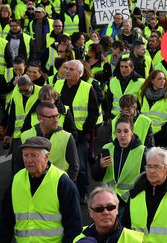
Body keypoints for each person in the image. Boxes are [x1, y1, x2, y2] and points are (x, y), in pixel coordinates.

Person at [0, 137, 82, 241]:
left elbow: (74, 227)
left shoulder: (62, 182)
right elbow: (5, 221)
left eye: (34, 155)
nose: (29, 160)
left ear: (46, 157)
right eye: (25, 155)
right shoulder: (16, 180)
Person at [54, 60, 99, 202]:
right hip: (60, 132)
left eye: (71, 69)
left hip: (79, 134)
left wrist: (85, 132)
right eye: (66, 68)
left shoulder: (87, 88)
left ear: (79, 73)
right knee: (59, 164)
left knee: (80, 166)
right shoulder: (58, 84)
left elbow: (93, 113)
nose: (67, 71)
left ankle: (82, 193)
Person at [92, 113, 146, 209]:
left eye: (126, 131)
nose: (122, 135)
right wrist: (100, 167)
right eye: (119, 131)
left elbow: (145, 182)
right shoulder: (107, 148)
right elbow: (95, 177)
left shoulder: (142, 151)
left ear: (132, 132)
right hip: (108, 202)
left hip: (129, 204)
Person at [19, 102, 79, 181]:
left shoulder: (67, 137)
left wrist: (66, 186)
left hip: (59, 184)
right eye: (51, 117)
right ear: (40, 118)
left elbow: (74, 167)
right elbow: (19, 166)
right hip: (33, 184)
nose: (56, 120)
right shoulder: (25, 136)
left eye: (57, 116)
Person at [73, 186, 144, 242]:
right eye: (99, 209)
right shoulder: (79, 237)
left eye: (110, 207)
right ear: (90, 212)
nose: (105, 212)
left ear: (117, 209)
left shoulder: (137, 240)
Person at [4, 75, 41, 174]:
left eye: (26, 90)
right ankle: (16, 182)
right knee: (17, 161)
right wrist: (8, 133)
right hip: (18, 133)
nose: (23, 93)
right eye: (21, 91)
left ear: (31, 84)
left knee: (33, 160)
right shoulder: (16, 92)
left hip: (33, 132)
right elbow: (12, 114)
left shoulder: (40, 92)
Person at [138, 70, 167, 148]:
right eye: (159, 79)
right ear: (152, 81)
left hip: (163, 136)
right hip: (145, 133)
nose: (163, 81)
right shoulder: (143, 95)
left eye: (164, 79)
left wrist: (162, 131)